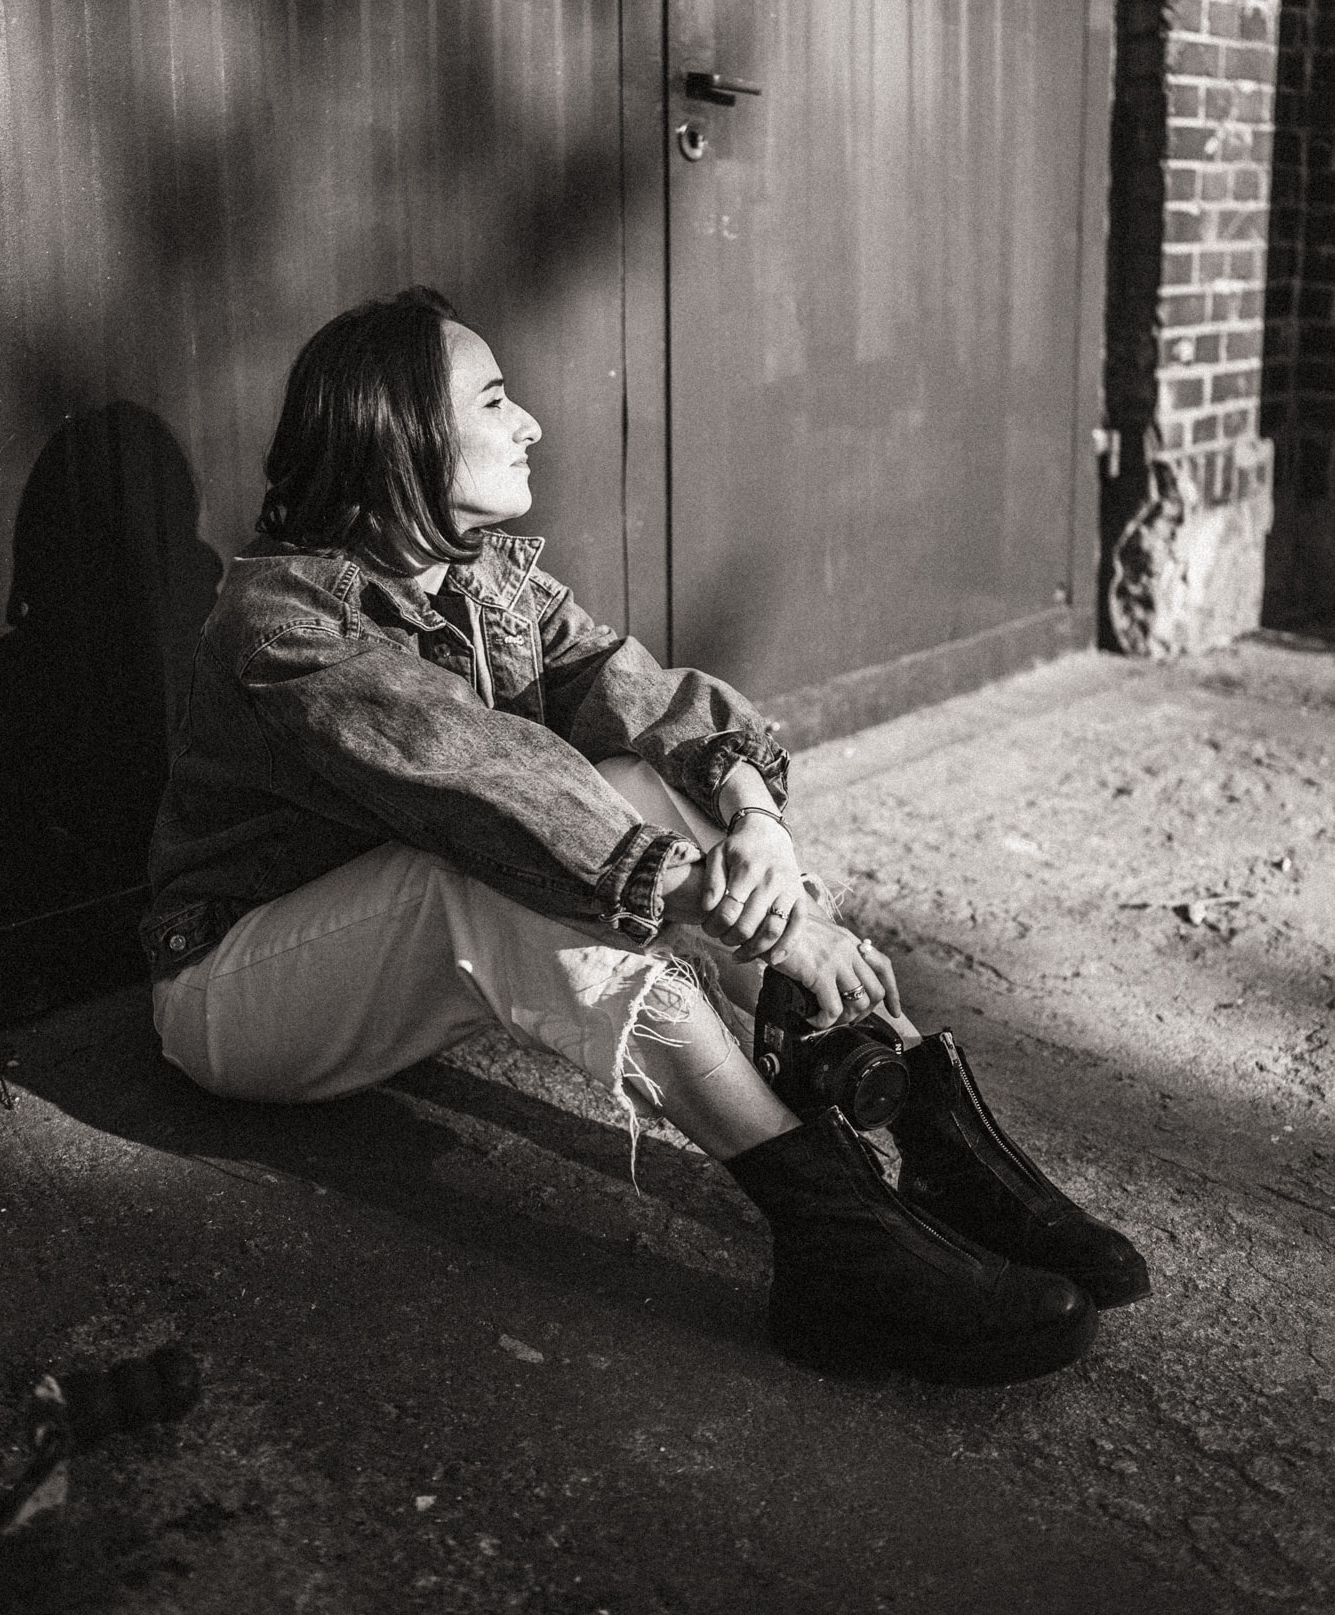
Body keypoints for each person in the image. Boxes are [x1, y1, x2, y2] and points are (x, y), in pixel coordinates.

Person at [142, 286, 1148, 1387]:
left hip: (390, 964)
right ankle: (828, 1228)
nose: (530, 423)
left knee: (648, 776)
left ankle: (927, 1128)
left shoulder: (487, 579)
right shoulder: (287, 624)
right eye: (494, 400)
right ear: (402, 434)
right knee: (478, 865)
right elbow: (484, 782)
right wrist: (763, 920)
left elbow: (648, 701)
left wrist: (759, 828)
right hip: (240, 995)